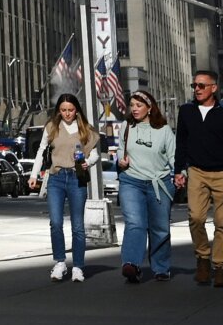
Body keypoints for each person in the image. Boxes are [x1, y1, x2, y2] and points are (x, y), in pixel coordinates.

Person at [174, 69, 223, 288]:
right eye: (194, 85)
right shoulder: (186, 111)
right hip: (197, 171)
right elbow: (181, 143)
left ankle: (221, 267)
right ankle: (203, 258)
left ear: (213, 88)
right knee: (196, 217)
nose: (197, 89)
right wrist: (179, 170)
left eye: (201, 86)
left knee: (221, 222)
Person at [27, 94, 102, 282]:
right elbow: (41, 150)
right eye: (63, 110)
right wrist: (34, 175)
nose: (67, 114)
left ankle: (78, 266)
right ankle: (60, 262)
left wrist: (88, 162)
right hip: (56, 177)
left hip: (77, 178)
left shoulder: (85, 129)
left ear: (76, 109)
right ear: (58, 110)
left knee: (77, 226)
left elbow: (95, 154)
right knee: (55, 223)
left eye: (70, 110)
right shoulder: (51, 127)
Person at [115, 90, 176, 282]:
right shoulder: (126, 126)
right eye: (132, 105)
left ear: (150, 108)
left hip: (160, 183)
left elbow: (174, 156)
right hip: (131, 181)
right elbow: (119, 149)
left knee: (160, 228)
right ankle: (131, 264)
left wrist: (182, 174)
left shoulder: (164, 130)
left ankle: (161, 267)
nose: (134, 109)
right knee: (135, 223)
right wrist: (120, 161)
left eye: (139, 105)